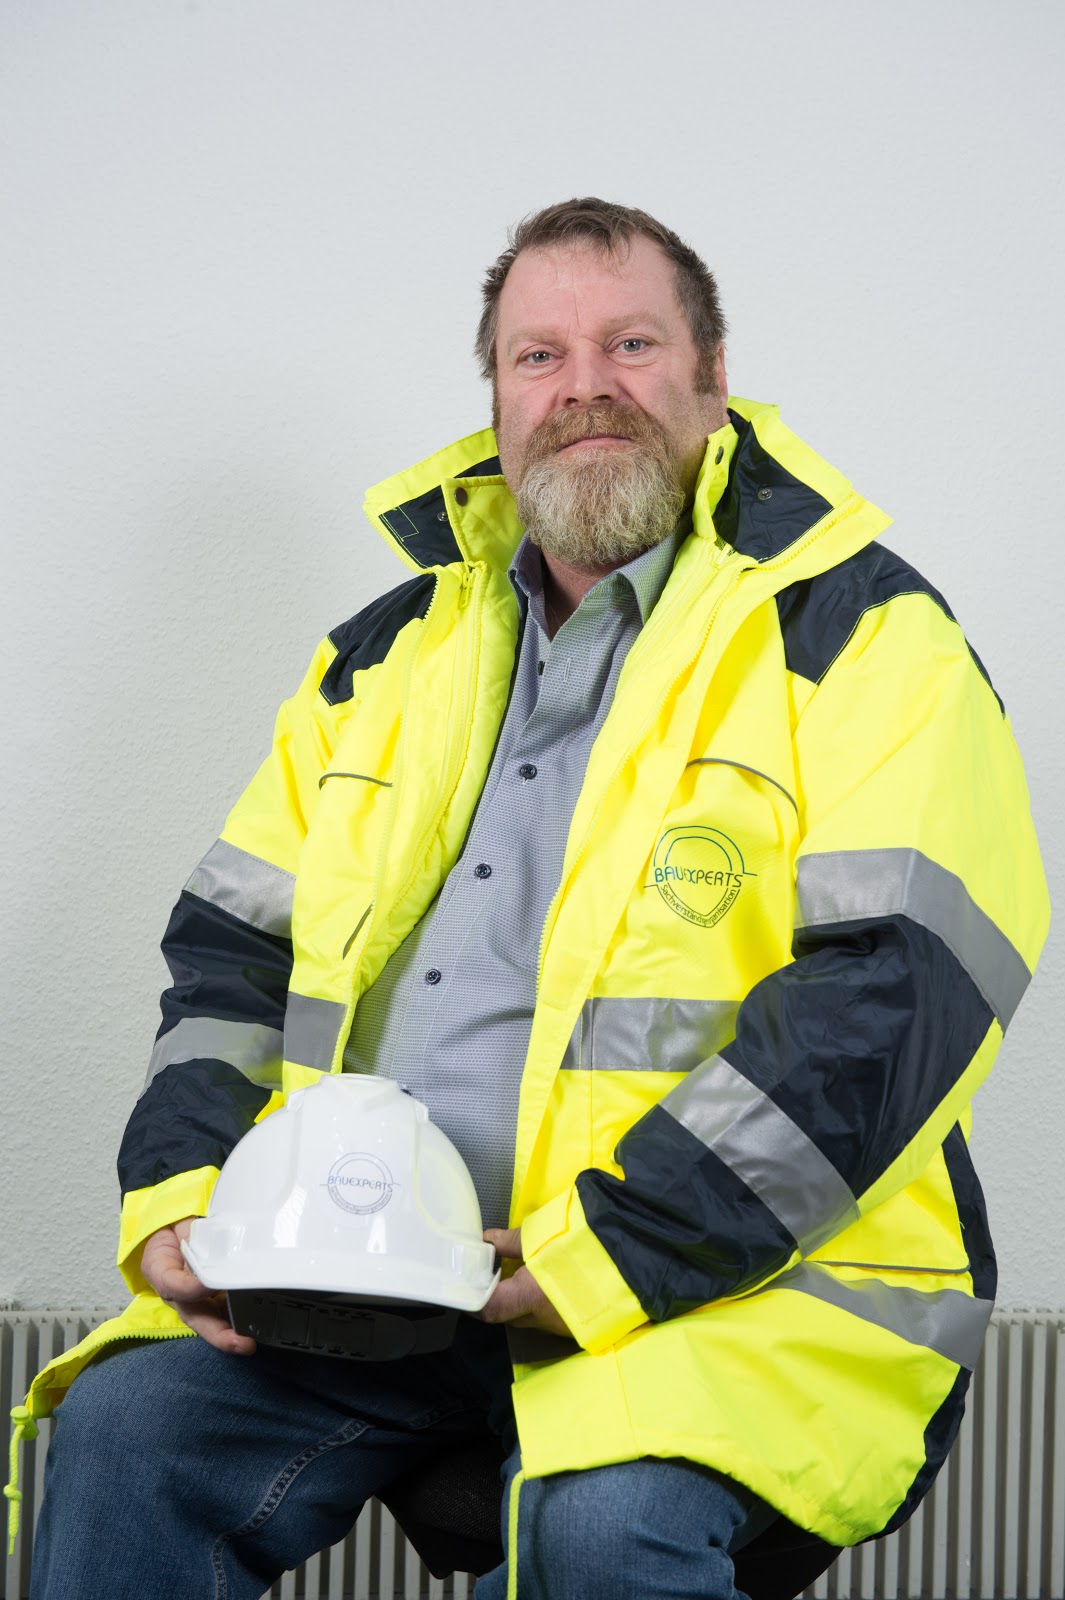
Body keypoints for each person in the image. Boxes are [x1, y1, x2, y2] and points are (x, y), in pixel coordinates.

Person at [20, 198, 1048, 1599]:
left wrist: (604, 1257)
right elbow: (230, 963)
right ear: (498, 400)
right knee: (127, 1434)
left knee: (600, 1526)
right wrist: (183, 1199)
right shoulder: (382, 659)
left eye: (632, 344)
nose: (584, 389)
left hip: (725, 1293)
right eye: (538, 356)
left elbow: (896, 1000)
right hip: (371, 1270)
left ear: (712, 377)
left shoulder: (865, 641)